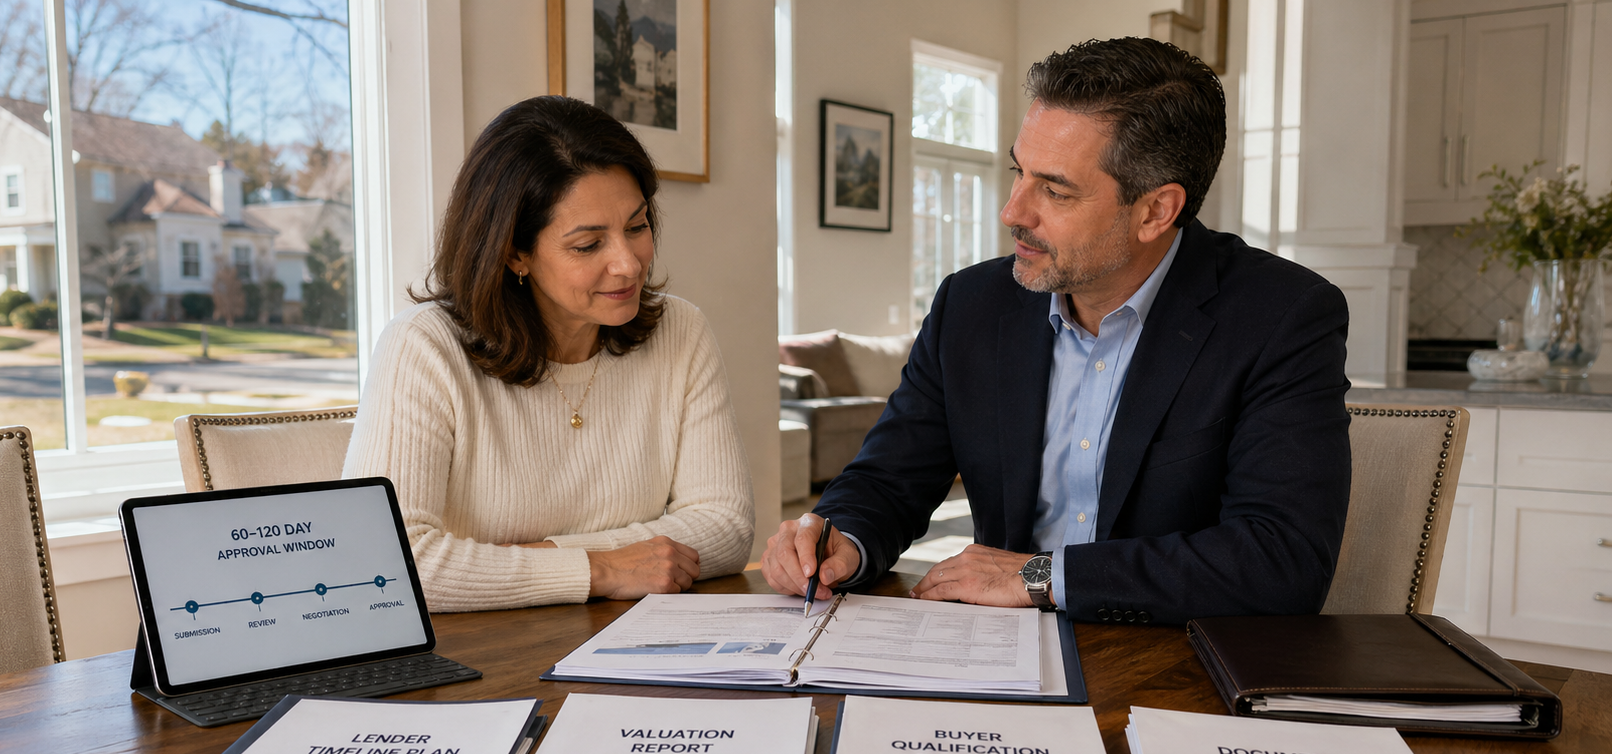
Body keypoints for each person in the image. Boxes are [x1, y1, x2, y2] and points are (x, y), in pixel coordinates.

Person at [761, 37, 1351, 626]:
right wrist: (841, 539)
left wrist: (1039, 576)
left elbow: (1282, 560)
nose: (1013, 211)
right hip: (1000, 653)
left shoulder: (1282, 317)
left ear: (1156, 211)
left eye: (1055, 190)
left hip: (1171, 665)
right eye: (1019, 172)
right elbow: (891, 477)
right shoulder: (971, 304)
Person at [343, 96, 754, 612]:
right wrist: (602, 569)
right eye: (588, 245)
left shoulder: (682, 331)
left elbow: (726, 526)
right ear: (515, 251)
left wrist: (541, 558)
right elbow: (382, 566)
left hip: (638, 643)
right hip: (487, 662)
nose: (628, 264)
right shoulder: (424, 347)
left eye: (637, 226)